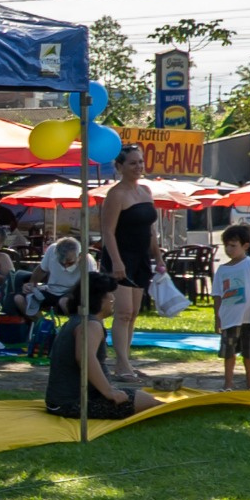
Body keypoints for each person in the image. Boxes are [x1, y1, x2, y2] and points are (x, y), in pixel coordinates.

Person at [45, 273, 160, 423]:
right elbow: (85, 358)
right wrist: (109, 392)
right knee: (149, 401)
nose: (113, 298)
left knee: (144, 397)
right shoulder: (90, 324)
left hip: (61, 401)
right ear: (98, 297)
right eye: (110, 293)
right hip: (74, 403)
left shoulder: (77, 319)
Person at [98, 142, 156, 383]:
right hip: (120, 257)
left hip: (141, 257)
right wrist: (117, 262)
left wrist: (159, 257)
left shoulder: (145, 191)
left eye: (140, 162)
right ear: (120, 166)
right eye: (132, 163)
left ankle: (126, 361)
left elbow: (151, 229)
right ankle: (121, 365)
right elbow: (108, 232)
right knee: (122, 312)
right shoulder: (116, 194)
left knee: (133, 313)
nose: (138, 166)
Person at [213, 223, 250, 390]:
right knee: (229, 353)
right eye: (226, 245)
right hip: (229, 318)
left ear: (245, 246)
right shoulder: (222, 270)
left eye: (233, 245)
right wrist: (217, 318)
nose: (228, 249)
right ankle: (228, 383)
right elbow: (217, 295)